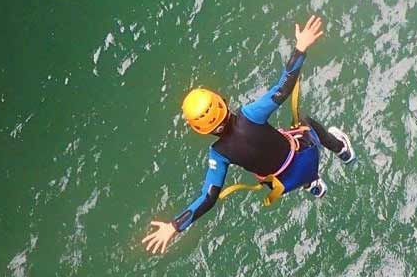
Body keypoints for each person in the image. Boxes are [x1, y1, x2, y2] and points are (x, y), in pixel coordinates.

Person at [142, 15, 354, 254]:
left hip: (284, 184)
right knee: (306, 122)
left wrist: (175, 225)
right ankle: (342, 149)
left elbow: (209, 197)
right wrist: (300, 48)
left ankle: (314, 186)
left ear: (201, 130)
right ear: (222, 101)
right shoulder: (250, 114)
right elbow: (283, 89)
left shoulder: (219, 154)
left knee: (277, 171)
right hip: (306, 156)